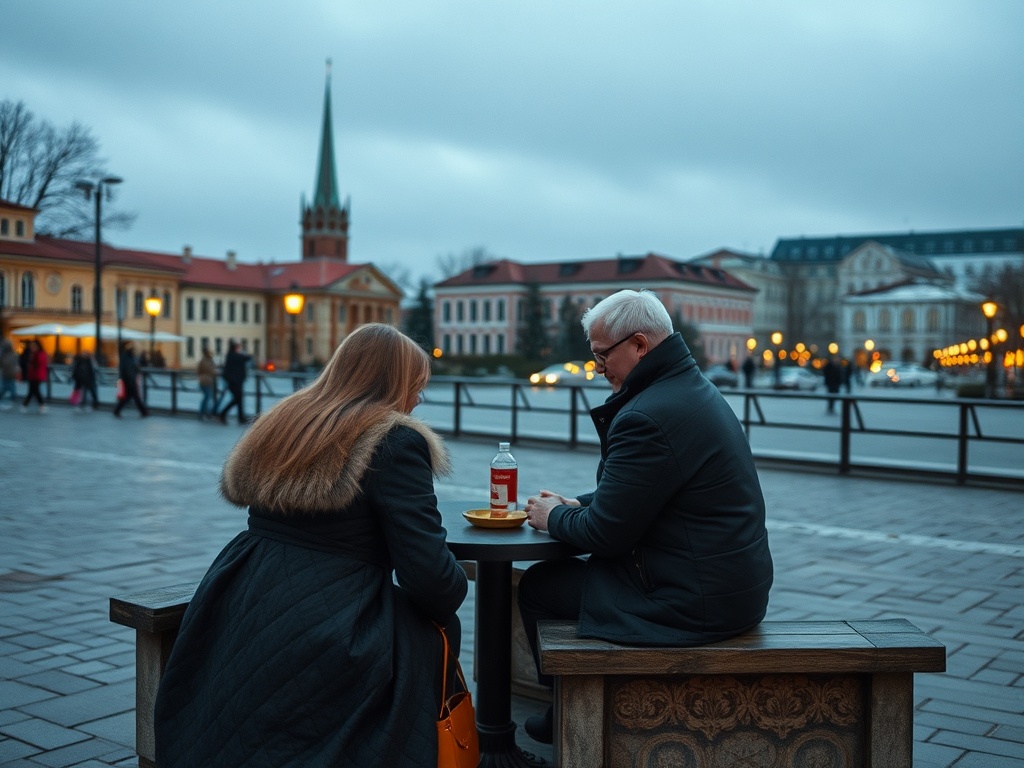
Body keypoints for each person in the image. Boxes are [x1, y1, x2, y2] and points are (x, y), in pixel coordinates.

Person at [154, 324, 467, 767]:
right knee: (429, 634)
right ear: (394, 383)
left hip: (244, 591)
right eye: (416, 387)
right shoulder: (394, 440)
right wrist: (456, 584)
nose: (417, 400)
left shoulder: (289, 418)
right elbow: (431, 579)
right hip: (334, 617)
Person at [517, 289, 774, 745]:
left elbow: (607, 534)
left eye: (601, 355)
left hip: (692, 602)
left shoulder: (648, 415)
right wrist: (580, 504)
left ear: (639, 345)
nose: (597, 368)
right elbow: (649, 490)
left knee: (539, 585)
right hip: (731, 588)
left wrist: (552, 517)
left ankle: (570, 713)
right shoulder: (691, 390)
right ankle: (573, 704)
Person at [217, 340, 251, 424]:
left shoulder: (231, 355)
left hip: (235, 381)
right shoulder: (233, 356)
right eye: (237, 347)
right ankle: (223, 414)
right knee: (237, 399)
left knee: (238, 400)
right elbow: (246, 358)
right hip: (235, 382)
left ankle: (240, 417)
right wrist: (246, 352)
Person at [113, 342, 149, 418]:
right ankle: (143, 412)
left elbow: (134, 368)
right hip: (129, 380)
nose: (134, 351)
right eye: (133, 349)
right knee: (134, 397)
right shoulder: (127, 358)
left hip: (129, 379)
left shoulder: (130, 357)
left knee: (128, 397)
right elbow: (127, 369)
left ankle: (117, 411)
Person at [21, 340, 49, 413]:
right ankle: (40, 405)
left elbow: (38, 365)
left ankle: (27, 405)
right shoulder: (34, 354)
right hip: (33, 375)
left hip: (36, 375)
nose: (32, 347)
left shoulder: (39, 354)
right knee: (33, 391)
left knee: (34, 391)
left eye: (34, 346)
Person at [195, 347, 217, 421]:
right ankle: (203, 413)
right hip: (206, 380)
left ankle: (205, 413)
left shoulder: (203, 360)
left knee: (207, 397)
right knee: (207, 397)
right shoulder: (207, 361)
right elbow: (212, 370)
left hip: (204, 380)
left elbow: (198, 371)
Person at [0, 340, 19, 410]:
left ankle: (12, 399)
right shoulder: (13, 354)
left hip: (8, 373)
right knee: (9, 387)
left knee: (7, 387)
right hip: (10, 373)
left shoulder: (5, 355)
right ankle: (12, 399)